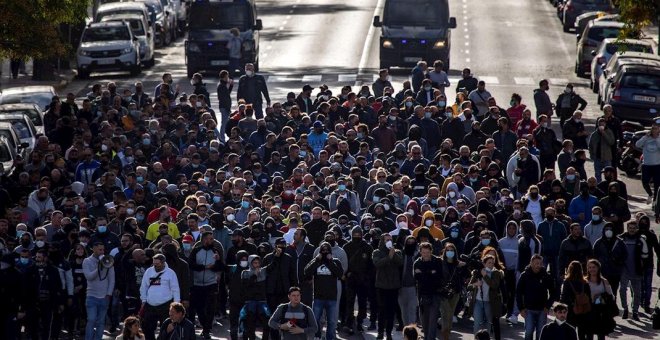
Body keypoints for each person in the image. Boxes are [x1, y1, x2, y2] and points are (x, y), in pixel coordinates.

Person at [188, 231, 224, 339]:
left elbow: (221, 267)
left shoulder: (215, 251)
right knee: (199, 308)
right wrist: (204, 267)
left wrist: (217, 261)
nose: (212, 240)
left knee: (210, 308)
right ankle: (204, 326)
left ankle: (207, 330)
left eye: (212, 238)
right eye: (210, 239)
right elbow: (191, 265)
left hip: (211, 284)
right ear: (204, 240)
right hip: (197, 284)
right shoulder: (196, 251)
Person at [304, 242, 343, 340]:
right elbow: (307, 271)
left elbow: (339, 274)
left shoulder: (336, 261)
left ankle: (330, 337)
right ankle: (317, 336)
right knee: (316, 319)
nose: (325, 252)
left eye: (327, 250)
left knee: (332, 321)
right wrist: (317, 260)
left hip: (331, 297)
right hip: (318, 297)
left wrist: (330, 261)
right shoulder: (316, 261)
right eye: (323, 250)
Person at [140, 253, 181, 340]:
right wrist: (143, 300)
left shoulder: (170, 273)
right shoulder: (149, 272)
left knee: (166, 328)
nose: (155, 266)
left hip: (165, 305)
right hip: (150, 305)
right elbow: (143, 287)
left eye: (157, 264)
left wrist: (176, 304)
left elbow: (175, 289)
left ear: (163, 263)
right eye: (154, 264)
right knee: (147, 328)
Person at [372, 233, 403, 340]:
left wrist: (393, 253)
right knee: (382, 310)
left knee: (391, 311)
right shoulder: (377, 252)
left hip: (393, 286)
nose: (389, 241)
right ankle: (380, 331)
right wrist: (388, 256)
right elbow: (377, 264)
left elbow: (400, 262)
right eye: (386, 240)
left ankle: (389, 333)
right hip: (382, 286)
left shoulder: (397, 251)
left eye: (390, 239)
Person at [517, 254, 555, 340]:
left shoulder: (546, 276)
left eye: (540, 263)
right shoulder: (524, 275)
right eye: (536, 263)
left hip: (542, 309)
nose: (538, 265)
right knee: (529, 332)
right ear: (531, 263)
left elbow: (554, 292)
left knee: (540, 333)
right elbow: (518, 292)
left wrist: (548, 306)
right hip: (528, 310)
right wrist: (521, 308)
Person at [83, 242, 115, 340]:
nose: (102, 252)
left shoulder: (108, 261)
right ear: (93, 249)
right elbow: (89, 277)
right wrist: (99, 267)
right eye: (100, 249)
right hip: (91, 295)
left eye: (103, 249)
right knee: (91, 319)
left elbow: (112, 279)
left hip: (104, 296)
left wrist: (109, 294)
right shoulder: (87, 261)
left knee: (101, 321)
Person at [468, 254, 504, 339]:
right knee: (477, 323)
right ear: (484, 264)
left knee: (488, 324)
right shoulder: (477, 272)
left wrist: (485, 275)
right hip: (478, 301)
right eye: (489, 263)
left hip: (489, 302)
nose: (491, 265)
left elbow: (494, 285)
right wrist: (475, 284)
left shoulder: (496, 273)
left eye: (492, 263)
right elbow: (468, 286)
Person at [618, 220, 648, 321]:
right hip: (624, 270)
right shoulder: (620, 238)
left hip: (637, 270)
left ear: (637, 229)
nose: (631, 230)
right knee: (622, 290)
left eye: (633, 228)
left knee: (637, 293)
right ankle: (625, 309)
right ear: (627, 228)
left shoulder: (641, 240)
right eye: (630, 228)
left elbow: (645, 255)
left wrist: (642, 264)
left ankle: (635, 312)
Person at [414, 242, 442, 340]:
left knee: (432, 319)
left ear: (431, 251)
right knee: (424, 320)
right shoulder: (417, 262)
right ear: (420, 252)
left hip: (435, 293)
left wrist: (424, 273)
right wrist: (430, 273)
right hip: (423, 294)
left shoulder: (438, 261)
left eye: (427, 252)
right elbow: (417, 278)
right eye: (423, 252)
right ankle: (427, 337)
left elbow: (438, 277)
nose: (425, 254)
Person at [584, 259, 615, 340]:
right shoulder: (584, 281)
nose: (592, 269)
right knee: (588, 336)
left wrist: (599, 298)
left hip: (601, 313)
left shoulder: (604, 281)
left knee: (601, 336)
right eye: (590, 267)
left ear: (598, 268)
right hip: (588, 312)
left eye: (594, 267)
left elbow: (611, 297)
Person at [560, 261, 591, 340]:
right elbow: (589, 297)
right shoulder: (585, 283)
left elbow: (564, 298)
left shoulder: (567, 282)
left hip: (570, 311)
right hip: (583, 311)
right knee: (582, 334)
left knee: (570, 334)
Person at [635, 120, 660, 204]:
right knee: (644, 182)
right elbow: (637, 144)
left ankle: (655, 200)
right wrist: (645, 137)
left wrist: (656, 139)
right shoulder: (646, 137)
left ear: (659, 129)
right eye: (652, 128)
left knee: (657, 184)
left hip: (657, 165)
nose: (654, 130)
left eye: (656, 129)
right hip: (646, 164)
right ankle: (650, 194)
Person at [587, 118, 615, 182]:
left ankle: (608, 185)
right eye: (600, 124)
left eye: (603, 124)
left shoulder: (609, 132)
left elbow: (611, 142)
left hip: (607, 157)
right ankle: (599, 186)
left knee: (608, 174)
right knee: (597, 174)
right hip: (597, 158)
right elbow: (590, 145)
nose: (602, 126)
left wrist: (604, 133)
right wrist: (592, 155)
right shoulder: (594, 134)